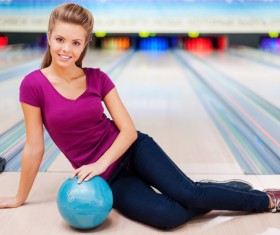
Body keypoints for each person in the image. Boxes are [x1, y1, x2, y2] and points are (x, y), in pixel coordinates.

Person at [0, 3, 279, 230]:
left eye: (75, 42)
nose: (66, 49)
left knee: (189, 194)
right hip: (110, 179)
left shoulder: (98, 78)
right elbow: (34, 146)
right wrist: (19, 198)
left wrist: (100, 163)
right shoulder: (33, 85)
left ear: (84, 45)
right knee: (167, 217)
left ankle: (266, 199)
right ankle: (219, 190)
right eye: (60, 39)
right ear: (48, 37)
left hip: (133, 150)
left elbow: (128, 131)